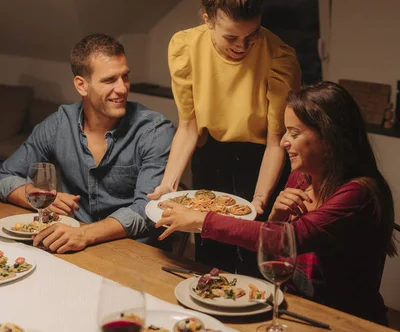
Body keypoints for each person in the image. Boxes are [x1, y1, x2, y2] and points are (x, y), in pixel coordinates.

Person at [156, 81, 397, 325]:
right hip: (294, 307)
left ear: (329, 138)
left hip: (346, 321)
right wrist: (276, 218)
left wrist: (202, 219)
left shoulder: (359, 193)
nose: (283, 142)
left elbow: (295, 236)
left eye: (294, 133)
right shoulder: (302, 177)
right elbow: (279, 253)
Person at [149, 0, 301, 271]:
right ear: (207, 20)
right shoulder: (185, 49)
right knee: (209, 263)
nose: (242, 47)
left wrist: (259, 201)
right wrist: (168, 185)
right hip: (211, 161)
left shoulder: (279, 57)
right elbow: (188, 127)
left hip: (261, 164)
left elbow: (277, 141)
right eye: (231, 37)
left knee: (256, 265)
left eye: (252, 35)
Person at [0, 33, 175, 254]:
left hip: (134, 252)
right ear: (82, 85)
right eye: (110, 80)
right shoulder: (59, 124)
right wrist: (40, 198)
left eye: (125, 77)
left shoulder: (155, 130)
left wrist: (85, 234)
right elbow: (4, 176)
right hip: (73, 245)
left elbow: (147, 209)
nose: (122, 88)